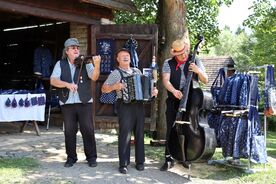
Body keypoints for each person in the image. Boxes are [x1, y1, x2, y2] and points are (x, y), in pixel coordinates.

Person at [101, 48, 158, 174]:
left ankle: (140, 162)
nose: (126, 57)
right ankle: (123, 164)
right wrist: (116, 86)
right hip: (124, 105)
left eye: (127, 55)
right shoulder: (116, 73)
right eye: (122, 56)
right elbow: (104, 88)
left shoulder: (137, 71)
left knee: (139, 134)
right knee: (125, 135)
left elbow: (146, 91)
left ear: (130, 58)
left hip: (138, 105)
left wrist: (153, 93)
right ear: (118, 59)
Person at [50, 38, 101, 168]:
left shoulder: (85, 62)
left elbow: (94, 77)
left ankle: (91, 157)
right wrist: (67, 84)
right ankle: (71, 157)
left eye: (77, 48)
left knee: (88, 130)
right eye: (73, 48)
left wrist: (97, 64)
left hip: (85, 102)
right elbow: (53, 81)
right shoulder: (60, 64)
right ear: (67, 51)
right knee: (69, 131)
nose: (76, 50)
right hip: (67, 103)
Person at [160, 38, 208, 171]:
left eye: (185, 52)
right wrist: (174, 91)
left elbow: (205, 80)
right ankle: (169, 157)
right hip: (173, 99)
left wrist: (198, 71)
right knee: (171, 127)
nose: (184, 55)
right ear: (175, 54)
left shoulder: (195, 60)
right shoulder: (167, 63)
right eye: (180, 53)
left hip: (191, 100)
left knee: (188, 128)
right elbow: (165, 80)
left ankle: (186, 157)